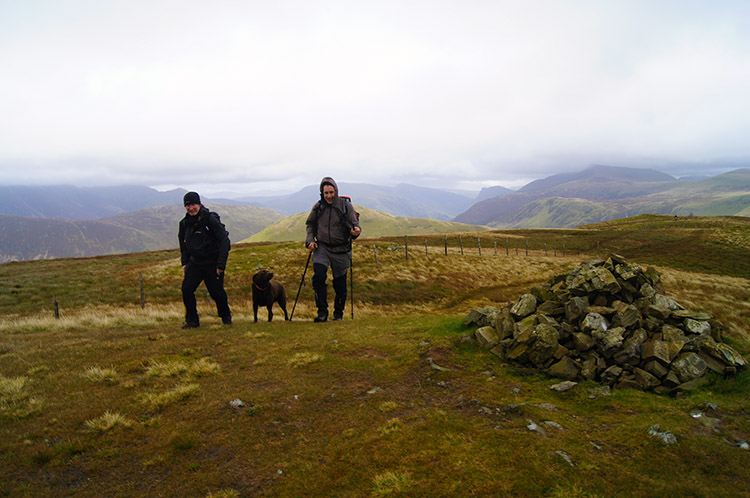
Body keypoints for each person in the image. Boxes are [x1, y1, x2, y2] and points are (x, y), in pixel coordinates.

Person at [305, 177, 361, 322]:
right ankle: (322, 312)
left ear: (336, 191)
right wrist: (310, 240)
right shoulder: (318, 207)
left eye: (331, 192)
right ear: (322, 193)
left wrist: (356, 231)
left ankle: (338, 314)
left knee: (340, 284)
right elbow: (310, 224)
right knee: (318, 277)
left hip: (341, 249)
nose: (329, 196)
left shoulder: (345, 206)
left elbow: (355, 225)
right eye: (326, 193)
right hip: (322, 247)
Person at [179, 191, 232, 328]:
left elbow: (224, 241)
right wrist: (185, 262)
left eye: (193, 204)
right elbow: (182, 244)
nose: (191, 208)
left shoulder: (210, 219)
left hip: (213, 263)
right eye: (188, 205)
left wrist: (221, 264)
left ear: (199, 204)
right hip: (195, 263)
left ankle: (226, 317)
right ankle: (192, 321)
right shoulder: (184, 224)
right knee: (187, 289)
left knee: (217, 293)